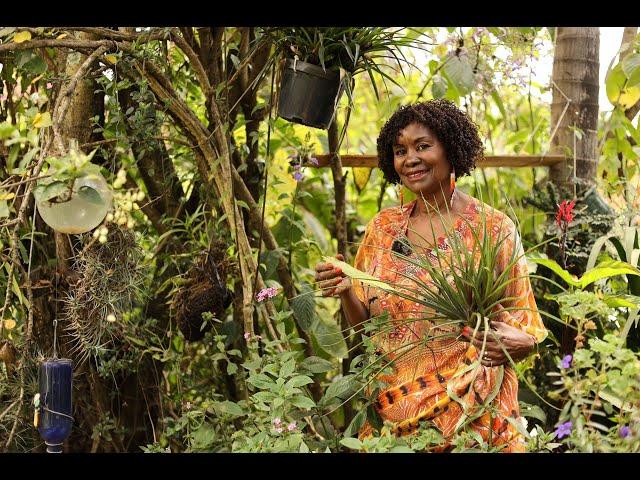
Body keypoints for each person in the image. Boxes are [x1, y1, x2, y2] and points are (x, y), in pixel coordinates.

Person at [314, 99, 547, 452]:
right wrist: (346, 290)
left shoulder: (492, 229)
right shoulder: (384, 228)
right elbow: (365, 330)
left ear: (451, 150)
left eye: (423, 146)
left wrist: (521, 343)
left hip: (471, 416)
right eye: (400, 150)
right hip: (395, 419)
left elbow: (525, 327)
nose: (410, 159)